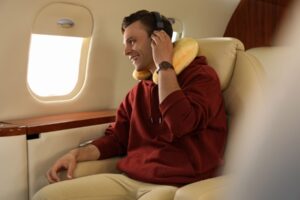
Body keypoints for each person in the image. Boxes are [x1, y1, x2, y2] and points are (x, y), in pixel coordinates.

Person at [33, 10, 227, 200]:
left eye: (132, 41)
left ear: (159, 39)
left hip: (176, 184)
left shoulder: (201, 77)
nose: (126, 51)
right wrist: (76, 154)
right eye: (125, 43)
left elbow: (181, 124)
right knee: (46, 196)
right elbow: (117, 139)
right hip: (130, 179)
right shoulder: (138, 92)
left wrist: (165, 65)